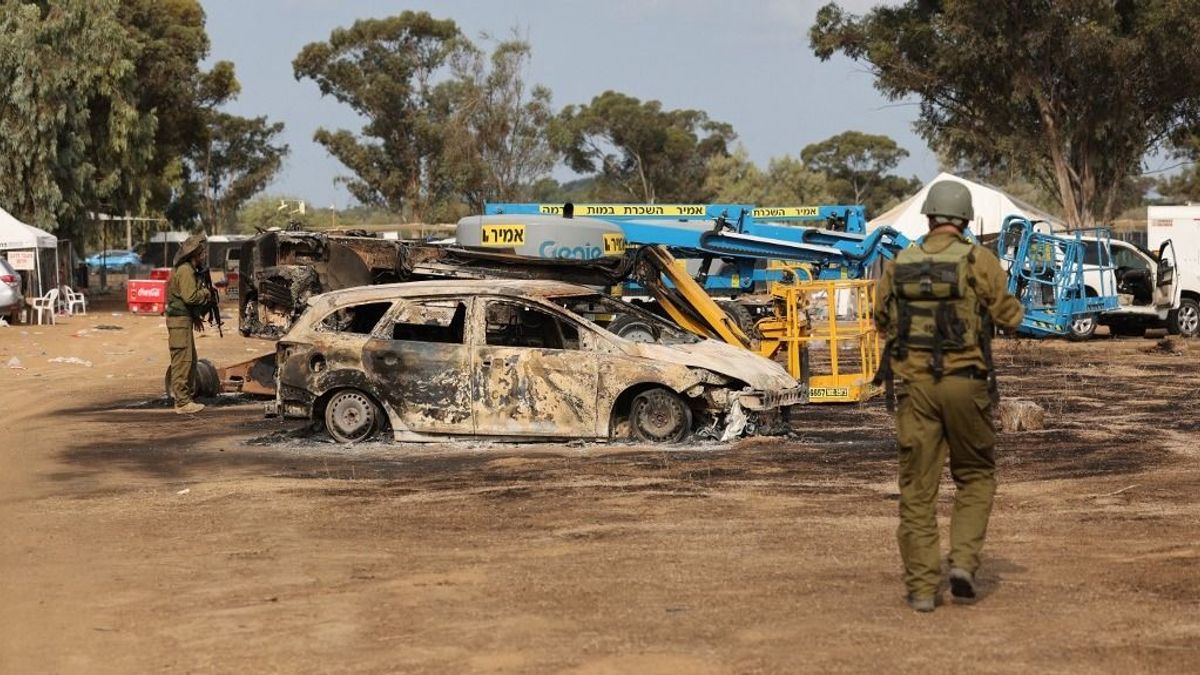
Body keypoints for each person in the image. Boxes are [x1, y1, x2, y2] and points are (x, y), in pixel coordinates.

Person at [873, 181, 1025, 612]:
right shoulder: (979, 260)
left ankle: (923, 588)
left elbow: (881, 319)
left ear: (929, 217)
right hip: (966, 385)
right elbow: (1010, 316)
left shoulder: (898, 264)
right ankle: (961, 563)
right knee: (975, 475)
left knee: (917, 489)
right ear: (964, 219)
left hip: (915, 390)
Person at [166, 233, 212, 415]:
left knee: (190, 360)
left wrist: (195, 317)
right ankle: (182, 402)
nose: (205, 256)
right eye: (203, 253)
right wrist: (206, 293)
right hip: (179, 321)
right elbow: (190, 297)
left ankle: (185, 399)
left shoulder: (189, 270)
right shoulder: (186, 271)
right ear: (196, 254)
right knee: (183, 361)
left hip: (183, 320)